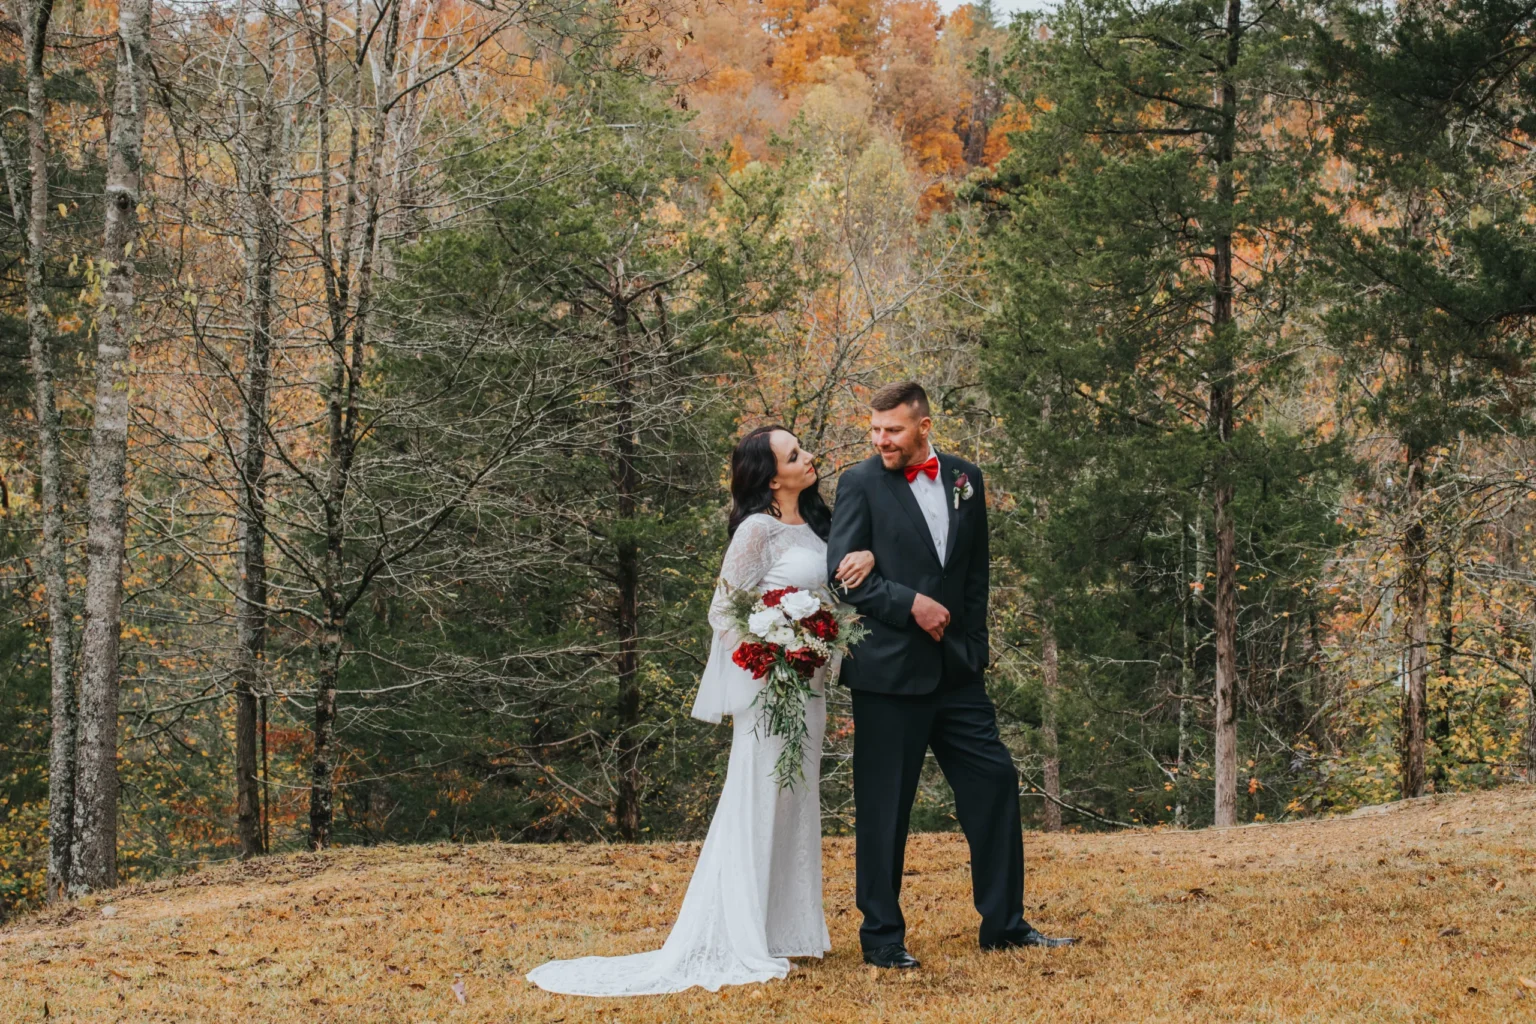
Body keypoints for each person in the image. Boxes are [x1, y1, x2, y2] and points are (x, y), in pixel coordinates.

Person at [526, 425, 875, 996]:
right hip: (772, 688)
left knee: (796, 799)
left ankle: (782, 928)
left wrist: (818, 633)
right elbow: (724, 612)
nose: (809, 457)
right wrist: (778, 644)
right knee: (760, 796)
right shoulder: (757, 532)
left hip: (810, 687)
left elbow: (834, 596)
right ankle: (741, 933)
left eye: (802, 449)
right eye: (795, 455)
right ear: (770, 477)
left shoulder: (818, 526)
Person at [825, 380, 1075, 971]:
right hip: (887, 676)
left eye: (893, 430)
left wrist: (977, 648)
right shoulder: (860, 483)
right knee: (886, 810)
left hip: (958, 673)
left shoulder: (966, 478)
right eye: (875, 431)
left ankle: (1005, 926)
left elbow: (975, 572)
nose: (881, 440)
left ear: (924, 427)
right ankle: (882, 939)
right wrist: (909, 603)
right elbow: (842, 578)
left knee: (994, 784)